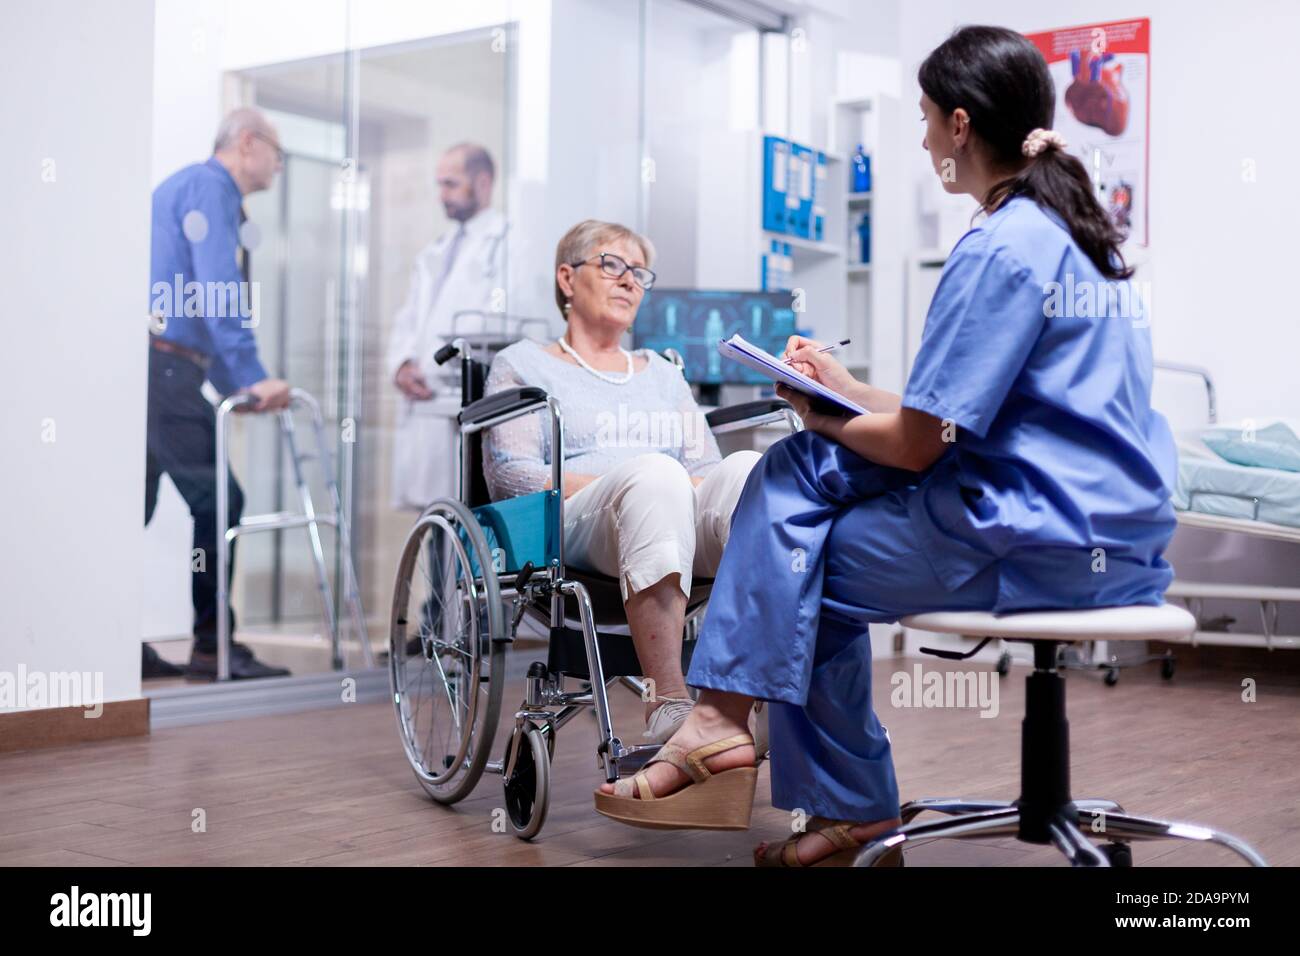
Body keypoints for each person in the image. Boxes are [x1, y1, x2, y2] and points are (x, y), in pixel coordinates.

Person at [594, 25, 1178, 867]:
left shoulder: (998, 247)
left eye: (927, 118)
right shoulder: (1069, 238)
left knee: (798, 555)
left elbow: (917, 448)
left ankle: (763, 752)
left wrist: (821, 416)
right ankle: (745, 742)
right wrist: (843, 385)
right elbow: (946, 414)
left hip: (1033, 537)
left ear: (963, 124)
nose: (923, 137)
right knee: (795, 514)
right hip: (1119, 539)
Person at [481, 220, 762, 744]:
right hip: (578, 525)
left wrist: (673, 486)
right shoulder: (522, 364)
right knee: (655, 476)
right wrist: (625, 481)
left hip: (669, 510)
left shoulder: (662, 371)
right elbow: (511, 475)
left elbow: (704, 469)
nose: (629, 281)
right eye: (612, 265)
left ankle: (757, 697)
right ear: (567, 278)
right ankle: (669, 701)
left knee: (748, 472)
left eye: (639, 272)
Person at [144, 107, 293, 680]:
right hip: (166, 369)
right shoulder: (212, 188)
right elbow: (217, 291)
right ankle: (213, 648)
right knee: (219, 501)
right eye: (277, 152)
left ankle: (102, 644)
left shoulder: (183, 186)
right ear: (248, 143)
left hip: (150, 368)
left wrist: (236, 385)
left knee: (129, 508)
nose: (278, 166)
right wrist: (251, 378)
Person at [387, 143, 508, 511]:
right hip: (426, 403)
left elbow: (500, 323)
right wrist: (402, 363)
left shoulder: (507, 243)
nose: (442, 195)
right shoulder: (436, 251)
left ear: (483, 183)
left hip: (459, 403)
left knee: (463, 522)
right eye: (439, 184)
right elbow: (410, 317)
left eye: (451, 184)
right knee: (433, 524)